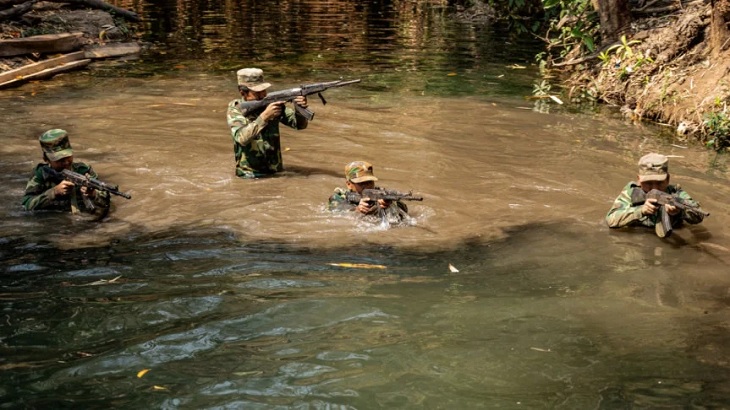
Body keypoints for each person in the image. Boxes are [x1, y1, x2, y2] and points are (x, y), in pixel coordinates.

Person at [226, 68, 309, 178]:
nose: (263, 95)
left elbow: (299, 125)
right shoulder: (236, 109)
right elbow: (241, 138)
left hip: (276, 171)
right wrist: (264, 117)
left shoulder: (271, 103)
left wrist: (299, 109)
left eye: (264, 90)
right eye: (257, 93)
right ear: (242, 92)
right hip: (250, 175)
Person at [605, 152, 706, 232]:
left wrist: (679, 212)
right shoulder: (632, 192)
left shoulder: (676, 193)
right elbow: (610, 220)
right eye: (648, 183)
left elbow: (699, 215)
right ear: (639, 180)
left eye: (659, 182)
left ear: (667, 179)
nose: (654, 188)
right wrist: (640, 211)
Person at [22, 129, 110, 218]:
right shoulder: (40, 173)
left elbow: (106, 199)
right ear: (46, 159)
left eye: (68, 157)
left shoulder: (83, 170)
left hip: (84, 218)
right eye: (59, 160)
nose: (66, 162)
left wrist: (93, 194)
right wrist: (54, 192)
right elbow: (27, 204)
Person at [327, 161, 409, 223]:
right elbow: (337, 212)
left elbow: (404, 209)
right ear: (349, 184)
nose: (367, 186)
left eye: (370, 182)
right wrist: (357, 210)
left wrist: (389, 205)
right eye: (361, 183)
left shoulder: (380, 193)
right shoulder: (339, 197)